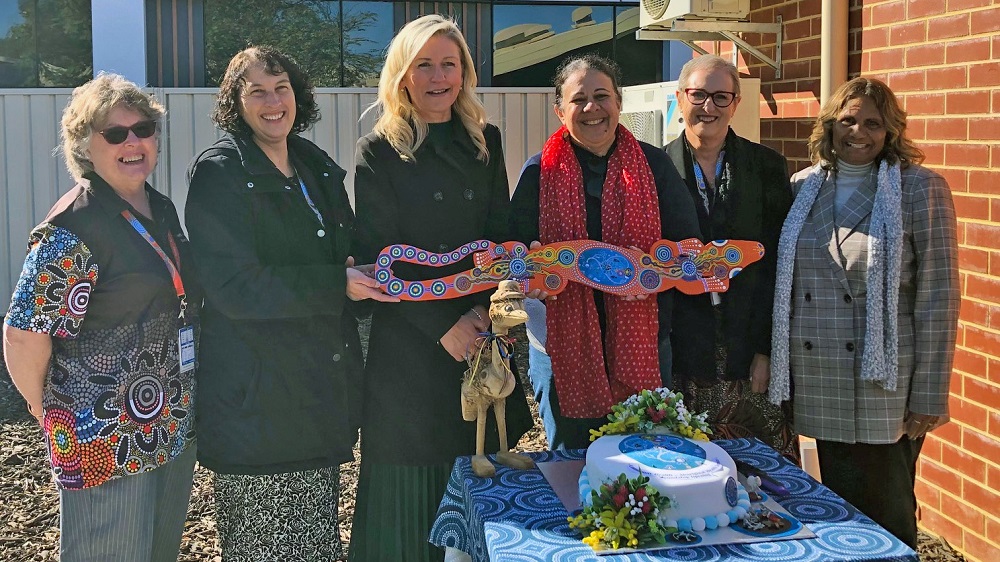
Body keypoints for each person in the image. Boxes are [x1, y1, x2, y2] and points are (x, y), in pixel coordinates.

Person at [184, 46, 395, 561]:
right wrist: (335, 284)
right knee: (267, 547)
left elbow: (341, 252)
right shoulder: (220, 173)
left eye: (281, 88)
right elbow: (233, 286)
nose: (273, 101)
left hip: (318, 390)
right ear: (236, 102)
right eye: (256, 91)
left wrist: (366, 274)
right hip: (260, 405)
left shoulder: (312, 164)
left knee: (315, 542)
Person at [349, 15, 533, 561]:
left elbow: (499, 235)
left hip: (478, 338)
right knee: (410, 492)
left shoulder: (485, 142)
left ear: (464, 73)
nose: (437, 76)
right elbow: (383, 256)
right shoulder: (377, 150)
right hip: (409, 348)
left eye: (448, 64)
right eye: (422, 65)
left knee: (475, 468)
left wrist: (481, 311)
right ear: (402, 77)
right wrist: (443, 325)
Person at [2, 74, 198, 561]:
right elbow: (24, 335)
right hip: (101, 437)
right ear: (85, 146)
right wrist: (42, 405)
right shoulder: (74, 227)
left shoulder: (160, 207)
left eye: (144, 128)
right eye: (115, 133)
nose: (133, 142)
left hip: (165, 423)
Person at [769, 77, 959, 549]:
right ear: (829, 126)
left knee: (888, 513)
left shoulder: (919, 188)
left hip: (886, 384)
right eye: (847, 120)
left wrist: (930, 395)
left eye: (872, 123)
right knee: (835, 511)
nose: (858, 132)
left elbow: (939, 296)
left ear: (891, 130)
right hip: (820, 375)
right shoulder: (803, 187)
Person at [509, 54, 701, 451]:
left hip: (642, 337)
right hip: (561, 345)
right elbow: (516, 254)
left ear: (619, 103)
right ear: (560, 110)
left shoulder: (655, 165)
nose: (591, 108)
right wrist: (530, 274)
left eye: (602, 96)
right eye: (579, 100)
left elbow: (689, 251)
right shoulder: (537, 173)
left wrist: (649, 267)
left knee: (645, 457)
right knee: (572, 459)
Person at [665, 55, 795, 456]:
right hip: (681, 352)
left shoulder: (767, 167)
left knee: (763, 477)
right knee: (690, 468)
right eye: (699, 94)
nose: (709, 107)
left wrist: (768, 350)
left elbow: (779, 265)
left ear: (737, 103)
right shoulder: (654, 168)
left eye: (721, 97)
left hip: (748, 348)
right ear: (679, 98)